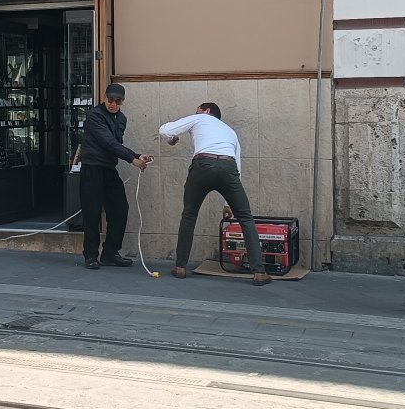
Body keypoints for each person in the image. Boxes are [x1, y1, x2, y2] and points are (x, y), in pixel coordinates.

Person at [161, 103, 271, 286]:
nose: (195, 112)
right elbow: (238, 167)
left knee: (189, 214)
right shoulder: (230, 132)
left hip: (202, 166)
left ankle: (180, 267)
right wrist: (227, 204)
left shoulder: (200, 118)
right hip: (228, 168)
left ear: (207, 111)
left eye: (197, 109)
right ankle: (259, 272)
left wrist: (171, 139)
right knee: (245, 218)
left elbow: (165, 129)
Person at [79, 83, 151, 270]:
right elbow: (108, 142)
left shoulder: (122, 119)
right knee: (92, 212)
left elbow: (116, 144)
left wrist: (136, 156)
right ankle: (91, 255)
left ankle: (110, 253)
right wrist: (132, 160)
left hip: (109, 168)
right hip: (92, 167)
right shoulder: (95, 115)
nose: (112, 103)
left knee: (120, 209)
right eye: (110, 99)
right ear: (105, 97)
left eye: (117, 101)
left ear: (122, 102)